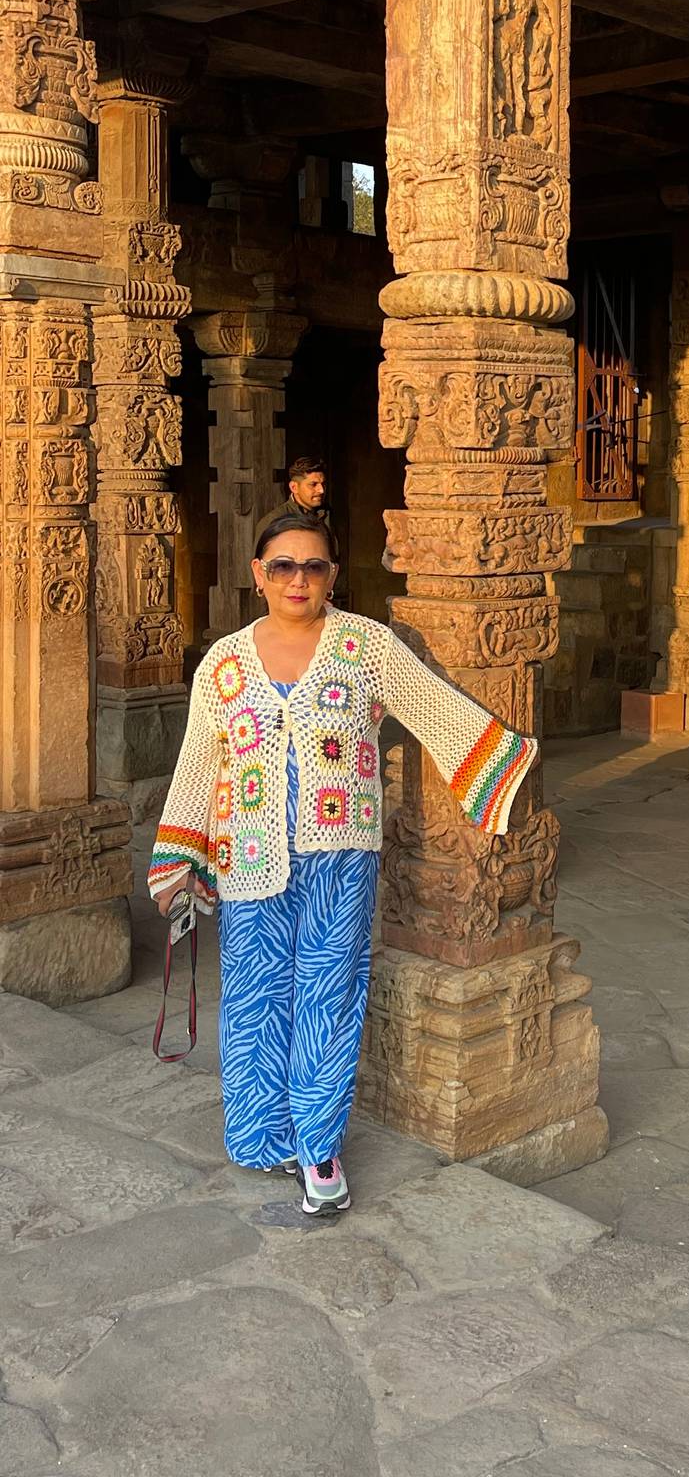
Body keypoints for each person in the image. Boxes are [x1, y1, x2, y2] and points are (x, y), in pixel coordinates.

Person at [148, 512, 536, 1216]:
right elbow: (201, 761)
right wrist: (181, 855)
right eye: (283, 566)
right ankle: (261, 1135)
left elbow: (431, 707)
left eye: (314, 566)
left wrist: (497, 763)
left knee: (328, 994)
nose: (298, 579)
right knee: (255, 995)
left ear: (332, 574)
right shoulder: (224, 665)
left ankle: (319, 1145)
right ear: (259, 573)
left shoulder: (365, 647)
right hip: (249, 856)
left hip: (340, 858)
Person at [259, 456, 330, 539]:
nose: (321, 490)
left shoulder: (328, 515)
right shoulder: (274, 522)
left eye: (323, 484)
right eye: (313, 484)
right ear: (294, 487)